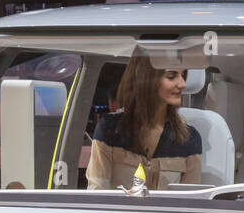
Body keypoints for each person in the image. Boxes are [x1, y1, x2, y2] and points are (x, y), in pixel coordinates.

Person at [86, 53, 202, 191]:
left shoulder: (189, 139)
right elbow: (97, 195)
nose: (182, 84)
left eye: (183, 75)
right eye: (171, 76)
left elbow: (190, 203)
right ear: (146, 78)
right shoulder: (109, 129)